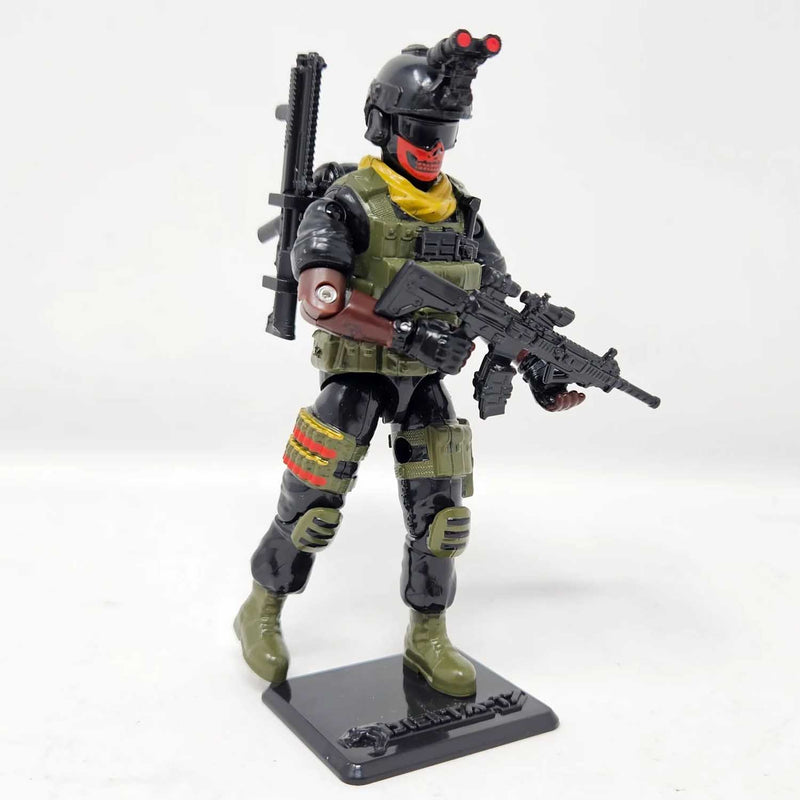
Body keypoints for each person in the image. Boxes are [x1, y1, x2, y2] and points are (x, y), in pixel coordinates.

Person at [235, 31, 584, 698]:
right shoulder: (346, 202)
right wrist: (407, 332)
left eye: (443, 134)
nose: (432, 147)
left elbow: (496, 302)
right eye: (420, 131)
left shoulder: (460, 212)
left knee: (442, 517)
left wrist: (541, 367)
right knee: (312, 504)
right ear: (385, 126)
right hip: (357, 378)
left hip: (424, 384)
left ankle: (428, 634)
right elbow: (324, 299)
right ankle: (262, 606)